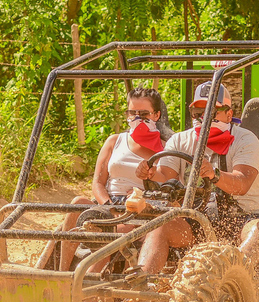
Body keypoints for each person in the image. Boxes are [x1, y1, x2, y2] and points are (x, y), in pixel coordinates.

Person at [134, 81, 259, 274]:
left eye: (211, 112)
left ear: (229, 114)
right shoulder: (180, 140)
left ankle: (232, 279)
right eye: (197, 112)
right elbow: (165, 175)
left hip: (244, 216)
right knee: (160, 226)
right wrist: (150, 173)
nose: (203, 117)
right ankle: (142, 283)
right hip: (197, 219)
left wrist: (214, 174)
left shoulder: (245, 139)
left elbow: (242, 184)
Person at [39, 86, 165, 271]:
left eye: (144, 114)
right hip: (108, 203)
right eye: (133, 113)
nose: (137, 118)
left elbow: (167, 183)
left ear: (156, 115)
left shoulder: (165, 149)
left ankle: (87, 278)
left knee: (115, 229)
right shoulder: (115, 141)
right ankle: (62, 272)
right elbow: (98, 183)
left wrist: (143, 197)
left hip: (140, 209)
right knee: (77, 203)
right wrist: (109, 208)